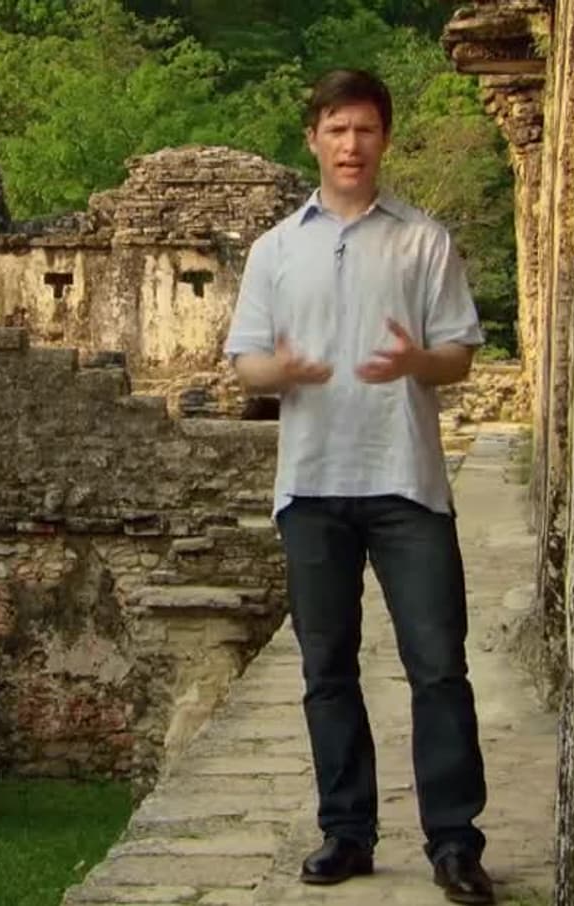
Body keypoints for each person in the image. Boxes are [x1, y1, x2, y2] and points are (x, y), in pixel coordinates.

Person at [222, 69, 495, 906]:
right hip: (311, 486)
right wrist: (281, 372)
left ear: (384, 139)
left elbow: (458, 355)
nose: (351, 145)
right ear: (313, 138)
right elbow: (246, 363)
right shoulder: (275, 250)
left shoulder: (423, 241)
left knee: (437, 665)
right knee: (327, 668)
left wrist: (416, 361)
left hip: (405, 480)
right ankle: (347, 832)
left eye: (366, 130)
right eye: (337, 130)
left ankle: (455, 842)